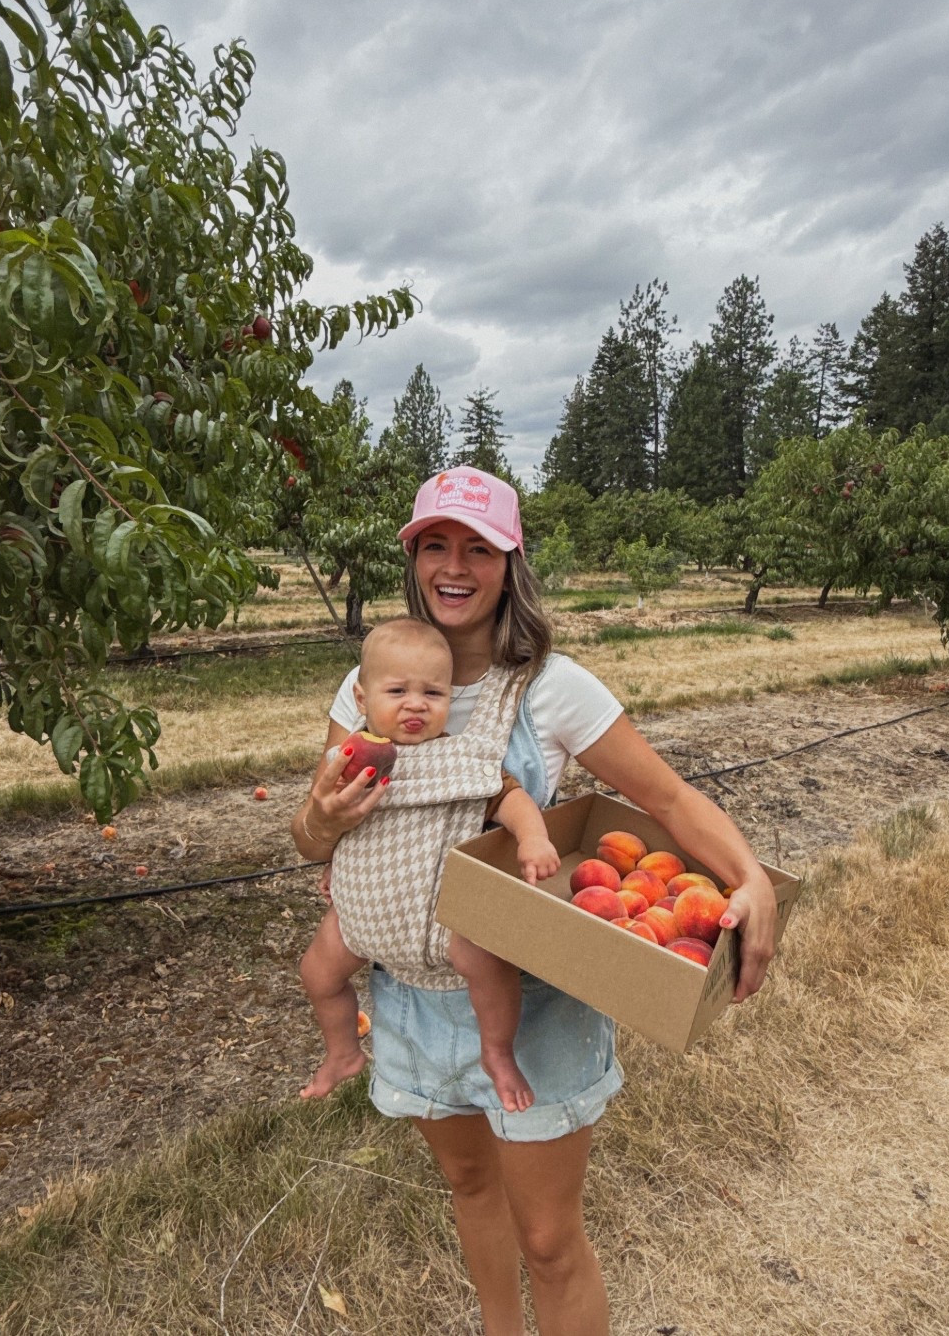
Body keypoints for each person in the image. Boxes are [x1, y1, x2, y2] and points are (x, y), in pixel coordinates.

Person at [291, 465, 780, 1336]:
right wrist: (320, 820)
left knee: (550, 1239)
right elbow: (315, 837)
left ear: (510, 563)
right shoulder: (366, 685)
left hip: (531, 1001)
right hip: (408, 989)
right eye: (435, 544)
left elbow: (666, 800)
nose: (454, 564)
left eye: (478, 548)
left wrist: (750, 878)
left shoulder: (552, 687)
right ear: (412, 557)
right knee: (470, 1188)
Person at [297, 616, 562, 1108]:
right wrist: (334, 858)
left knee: (486, 961)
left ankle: (497, 1052)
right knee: (317, 972)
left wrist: (532, 838)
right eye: (397, 690)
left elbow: (509, 797)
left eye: (433, 695)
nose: (416, 704)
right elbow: (330, 824)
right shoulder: (353, 760)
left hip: (444, 916)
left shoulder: (460, 759)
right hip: (361, 915)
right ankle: (342, 1052)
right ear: (361, 700)